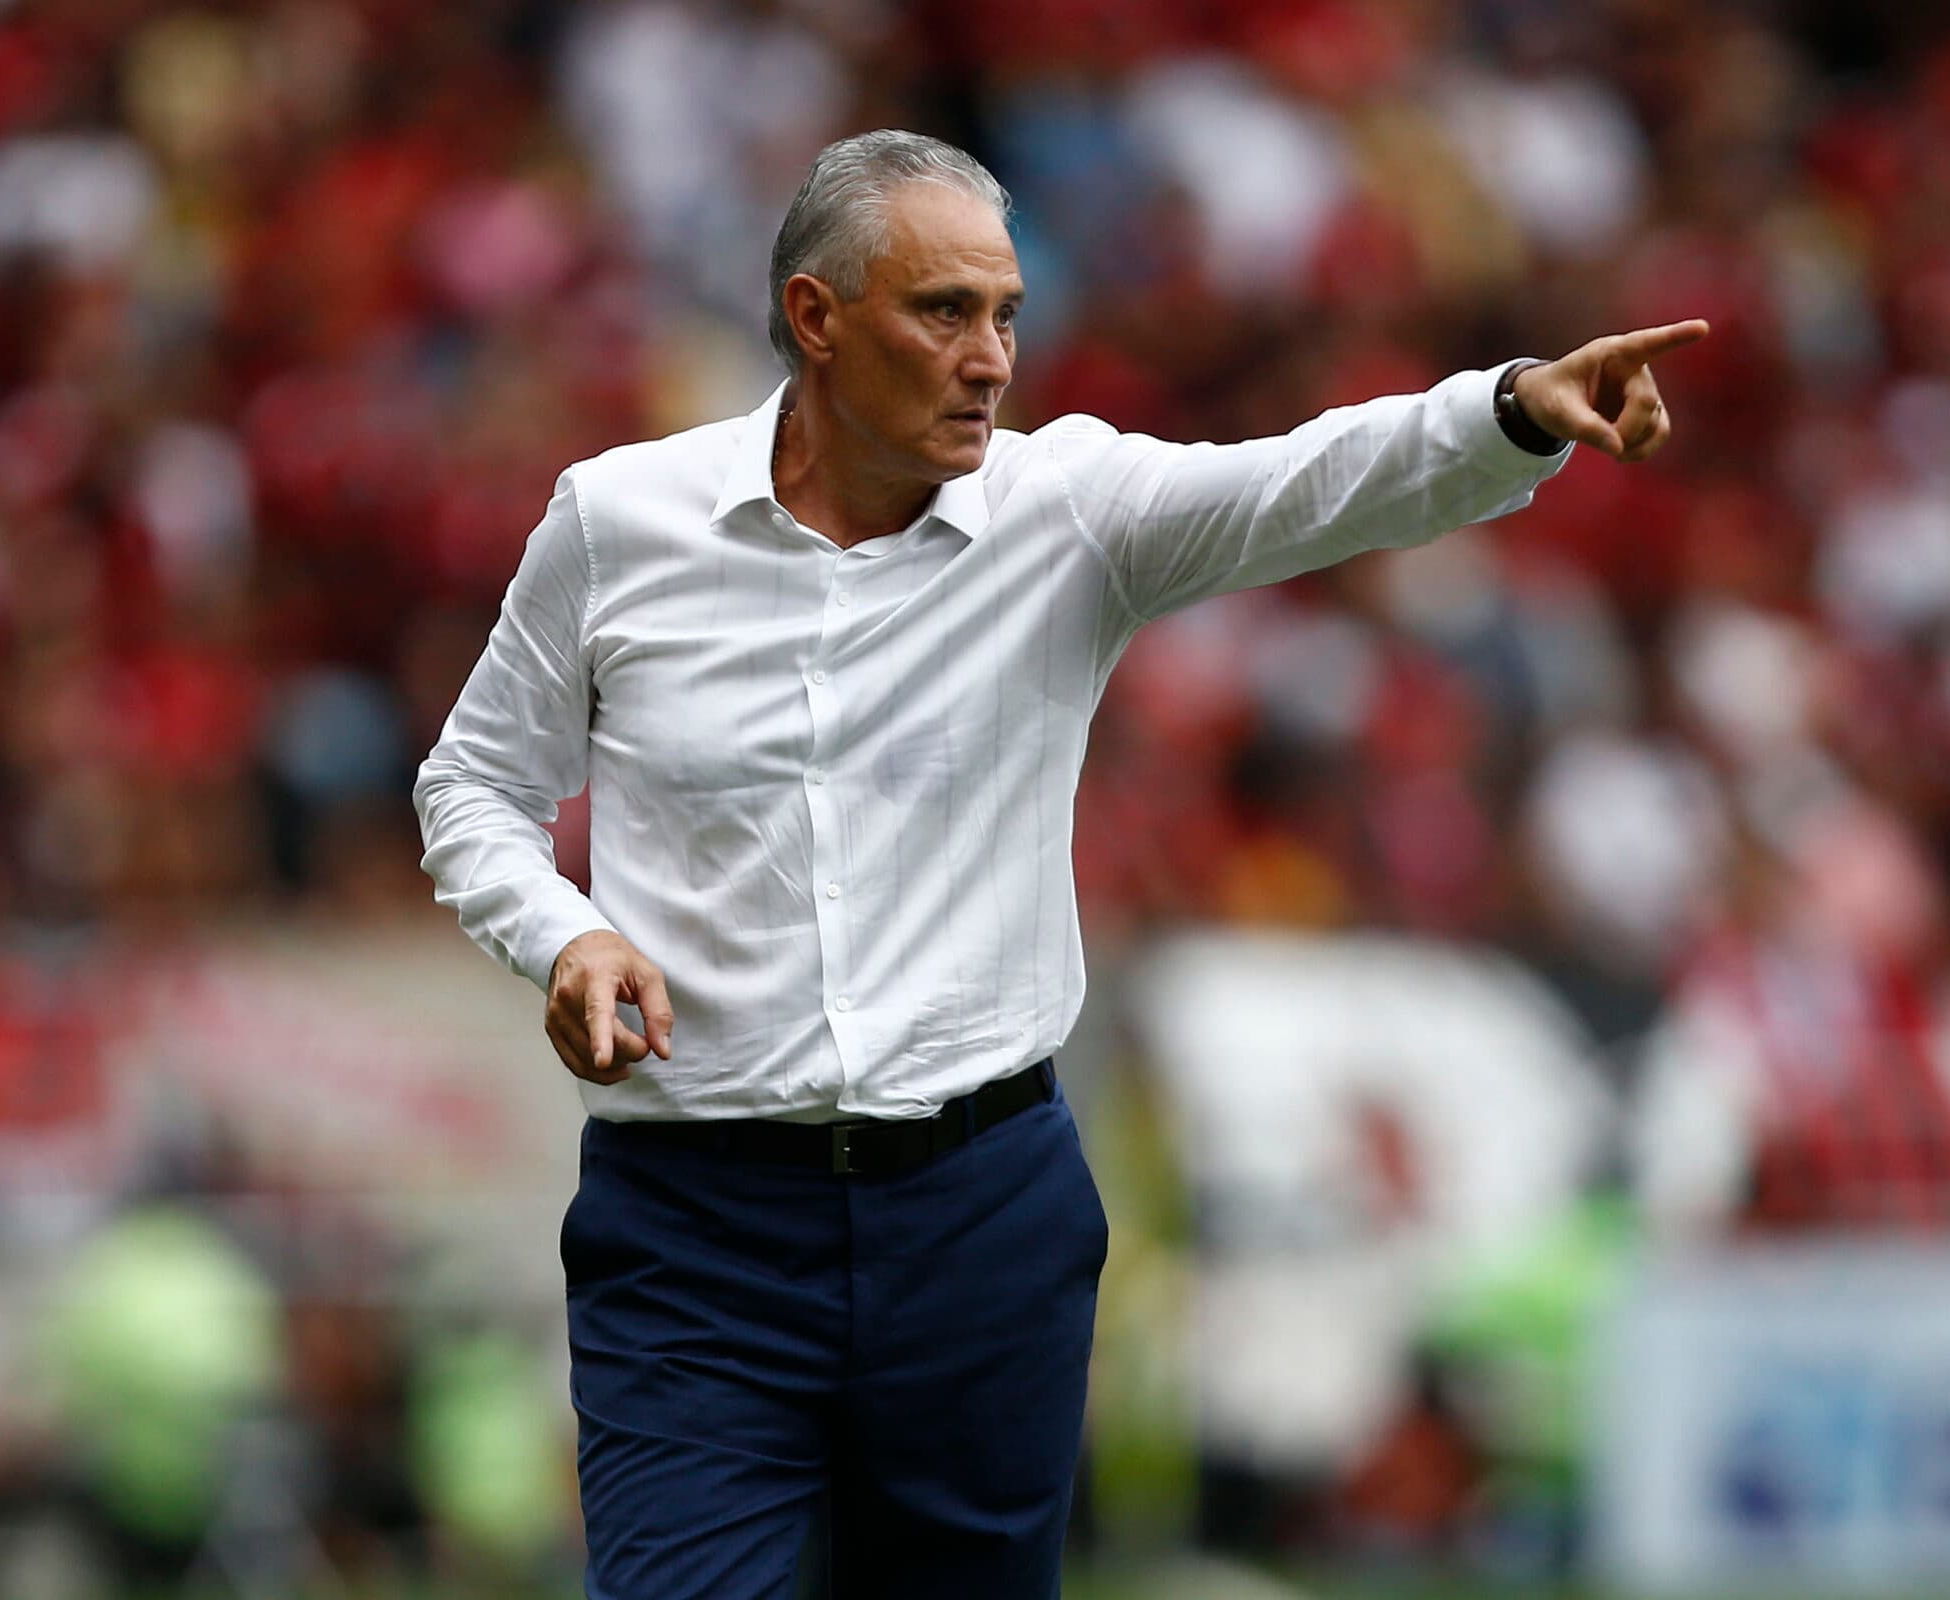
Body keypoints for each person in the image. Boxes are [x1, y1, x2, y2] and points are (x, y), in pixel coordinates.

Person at [414, 128, 1703, 1599]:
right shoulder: (619, 520)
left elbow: (1305, 484)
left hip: (977, 1217)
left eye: (1006, 314)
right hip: (696, 1231)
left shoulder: (1066, 512)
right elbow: (475, 783)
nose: (990, 359)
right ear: (817, 317)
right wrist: (564, 935)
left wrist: (1510, 413)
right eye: (944, 312)